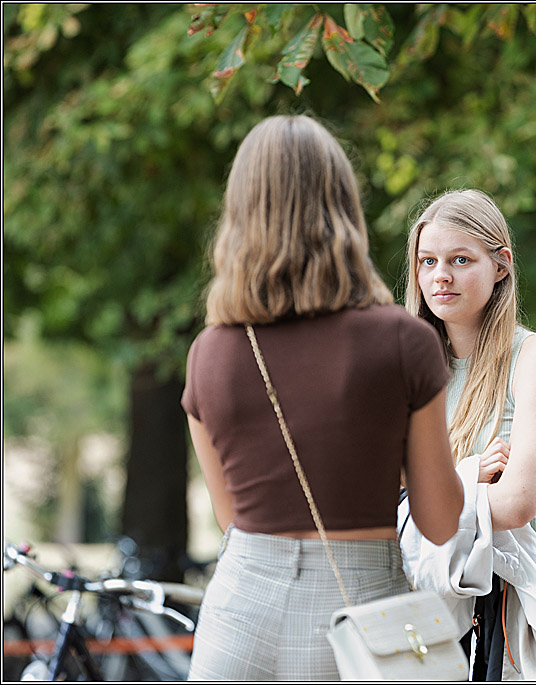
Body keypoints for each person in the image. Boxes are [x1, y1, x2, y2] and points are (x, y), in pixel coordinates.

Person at [181, 115, 463, 681]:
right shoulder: (404, 341)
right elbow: (439, 522)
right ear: (343, 209)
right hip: (358, 615)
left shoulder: (209, 352)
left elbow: (232, 515)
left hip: (236, 619)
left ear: (240, 216)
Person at [404, 188, 536, 680]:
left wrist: (432, 492)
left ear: (501, 264)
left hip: (506, 593)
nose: (440, 275)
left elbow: (517, 505)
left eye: (460, 260)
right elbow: (375, 498)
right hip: (423, 587)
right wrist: (471, 478)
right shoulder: (411, 367)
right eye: (428, 261)